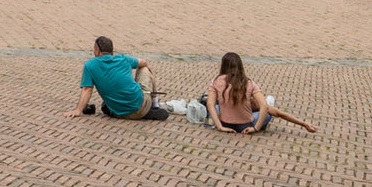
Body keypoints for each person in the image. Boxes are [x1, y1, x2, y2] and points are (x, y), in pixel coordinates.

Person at [74, 37, 208, 123]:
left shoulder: (90, 65)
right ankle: (154, 104)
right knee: (144, 69)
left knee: (106, 105)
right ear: (112, 51)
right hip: (140, 105)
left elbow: (87, 89)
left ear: (97, 51)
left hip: (118, 113)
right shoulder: (123, 59)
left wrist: (78, 110)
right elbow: (143, 62)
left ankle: (144, 110)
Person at [206, 51, 315, 133]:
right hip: (245, 126)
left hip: (225, 123)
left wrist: (220, 126)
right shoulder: (248, 83)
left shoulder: (216, 81)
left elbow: (210, 104)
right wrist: (255, 128)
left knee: (216, 107)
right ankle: (266, 109)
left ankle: (219, 119)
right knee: (267, 113)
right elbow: (267, 108)